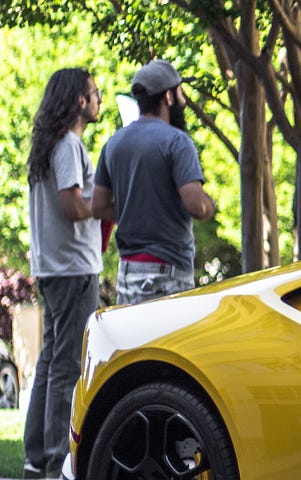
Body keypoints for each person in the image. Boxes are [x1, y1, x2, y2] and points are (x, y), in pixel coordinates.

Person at [23, 67, 104, 480]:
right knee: (67, 366)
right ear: (78, 101)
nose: (99, 99)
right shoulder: (69, 145)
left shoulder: (48, 144)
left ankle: (36, 456)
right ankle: (56, 460)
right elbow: (74, 207)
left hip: (53, 268)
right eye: (94, 92)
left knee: (50, 362)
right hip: (74, 269)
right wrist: (106, 200)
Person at [92, 59, 215, 305]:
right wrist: (209, 204)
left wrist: (135, 210)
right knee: (170, 343)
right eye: (180, 92)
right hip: (169, 271)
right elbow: (196, 205)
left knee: (137, 344)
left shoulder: (114, 143)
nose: (183, 99)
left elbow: (98, 206)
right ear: (168, 97)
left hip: (128, 271)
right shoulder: (177, 142)